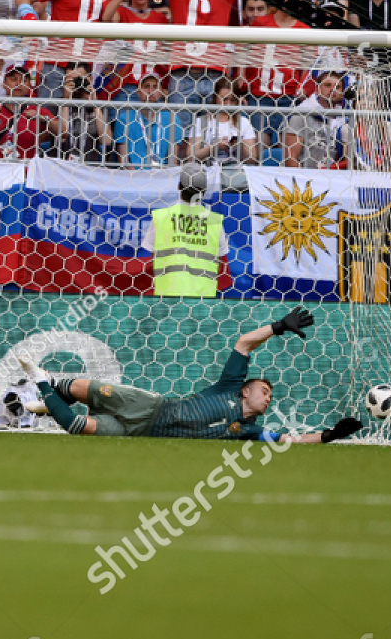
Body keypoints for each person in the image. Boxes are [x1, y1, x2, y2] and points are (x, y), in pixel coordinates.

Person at [19, 310, 356, 444]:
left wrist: (329, 435)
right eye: (264, 390)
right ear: (245, 390)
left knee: (76, 427)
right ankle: (52, 390)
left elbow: (289, 441)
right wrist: (278, 327)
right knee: (74, 387)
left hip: (140, 432)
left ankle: (42, 384)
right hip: (149, 408)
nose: (269, 397)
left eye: (270, 396)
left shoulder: (247, 429)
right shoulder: (229, 385)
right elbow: (243, 344)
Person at [145, 165, 223, 296]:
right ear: (204, 191)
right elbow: (220, 262)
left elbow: (152, 258)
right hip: (204, 297)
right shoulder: (214, 221)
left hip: (168, 294)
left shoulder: (161, 217)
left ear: (179, 186)